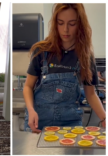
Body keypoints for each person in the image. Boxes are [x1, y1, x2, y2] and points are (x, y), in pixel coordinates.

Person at [23, 3, 106, 133]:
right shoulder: (41, 51)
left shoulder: (85, 56)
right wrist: (31, 110)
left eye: (72, 24)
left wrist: (104, 118)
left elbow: (90, 94)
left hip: (70, 123)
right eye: (60, 23)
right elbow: (28, 86)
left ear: (80, 25)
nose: (65, 29)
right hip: (39, 121)